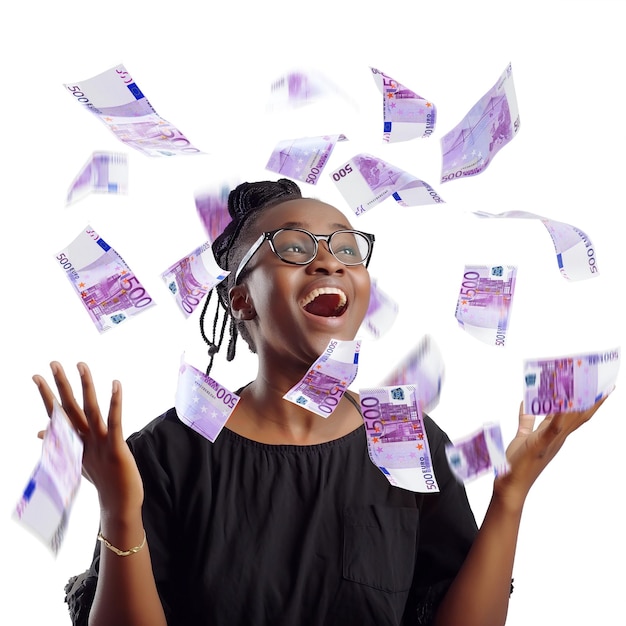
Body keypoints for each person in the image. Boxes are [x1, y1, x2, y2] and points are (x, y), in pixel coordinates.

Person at [33, 179, 607, 626]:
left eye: (345, 248)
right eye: (293, 247)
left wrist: (510, 497)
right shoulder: (164, 453)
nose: (328, 260)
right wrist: (117, 507)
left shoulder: (405, 439)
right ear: (241, 301)